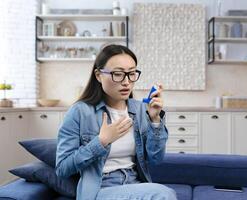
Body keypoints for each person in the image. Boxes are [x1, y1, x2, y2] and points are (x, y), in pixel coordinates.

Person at [55, 44, 177, 200]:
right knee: (163, 194)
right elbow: (62, 169)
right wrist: (101, 142)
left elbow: (156, 159)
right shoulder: (80, 112)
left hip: (135, 184)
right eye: (118, 74)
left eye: (132, 74)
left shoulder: (140, 109)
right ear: (99, 75)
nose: (126, 82)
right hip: (100, 188)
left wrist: (155, 120)